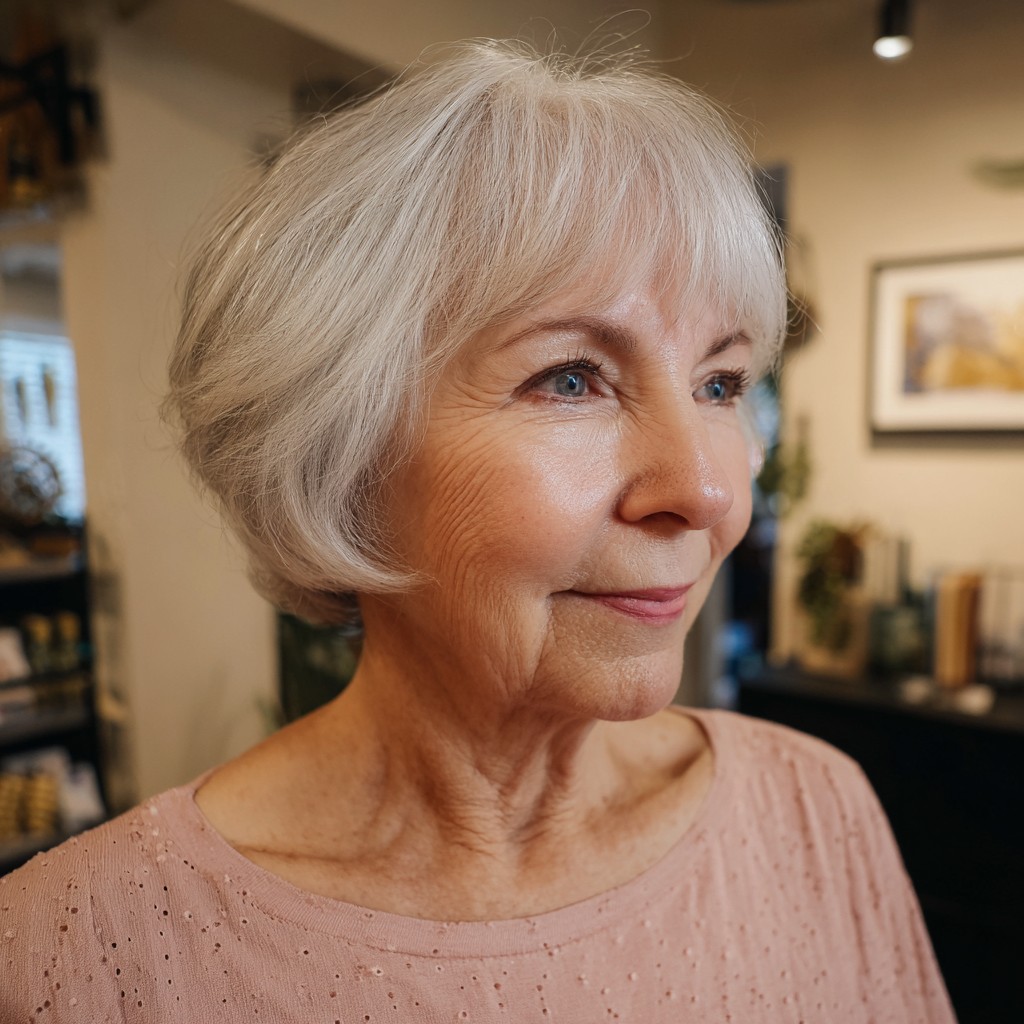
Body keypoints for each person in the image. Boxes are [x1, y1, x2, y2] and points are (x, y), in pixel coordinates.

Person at [2, 39, 955, 1023]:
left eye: (718, 382)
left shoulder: (815, 811)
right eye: (571, 378)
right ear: (340, 449)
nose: (707, 489)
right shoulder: (78, 954)